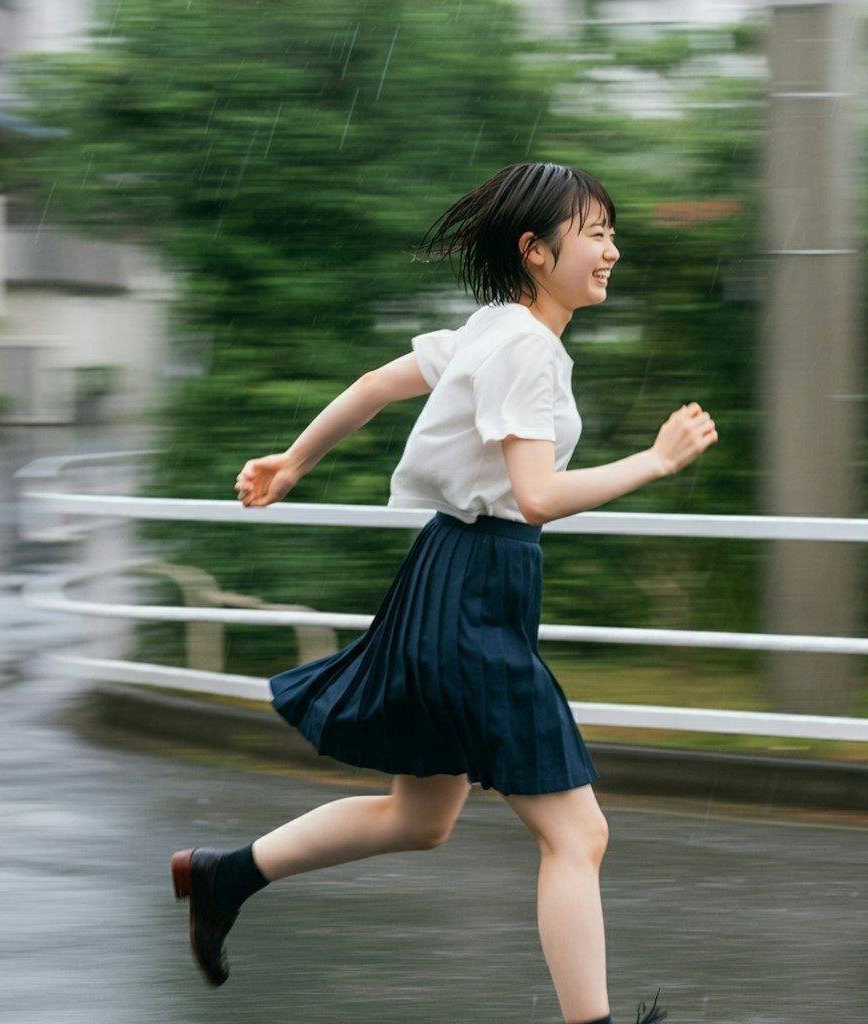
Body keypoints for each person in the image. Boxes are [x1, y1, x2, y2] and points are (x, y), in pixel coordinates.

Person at [171, 162, 717, 1024]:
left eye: (612, 232)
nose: (614, 249)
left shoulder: (493, 325)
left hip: (447, 580)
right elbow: (534, 496)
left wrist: (293, 461)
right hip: (477, 592)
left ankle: (222, 875)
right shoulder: (525, 346)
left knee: (420, 816)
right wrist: (654, 461)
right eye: (596, 233)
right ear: (535, 251)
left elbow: (376, 386)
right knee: (579, 834)